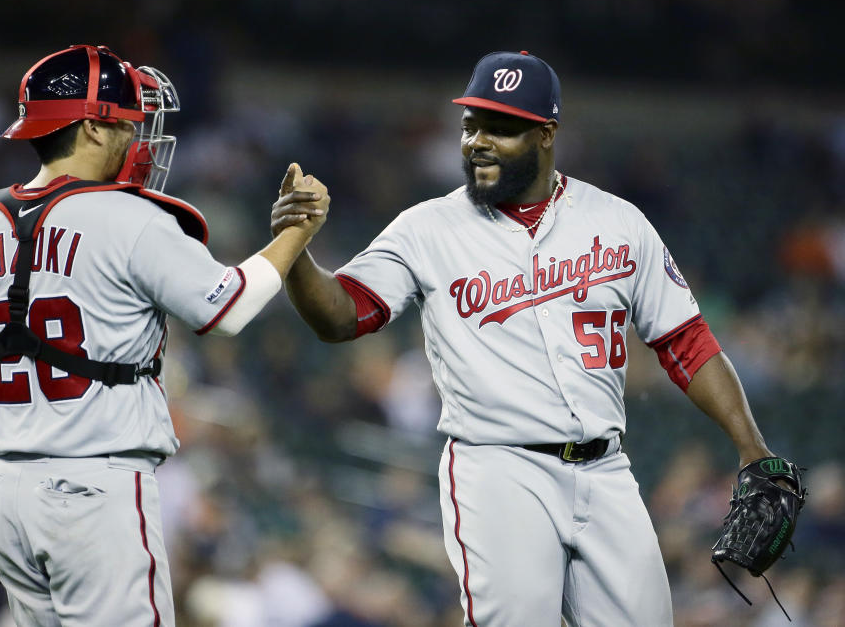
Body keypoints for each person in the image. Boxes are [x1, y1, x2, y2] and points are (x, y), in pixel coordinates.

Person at [271, 50, 784, 626]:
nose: (479, 142)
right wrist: (296, 253)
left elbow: (685, 340)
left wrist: (752, 447)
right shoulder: (428, 228)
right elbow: (341, 316)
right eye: (471, 125)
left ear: (546, 134)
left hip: (607, 471)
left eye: (502, 128)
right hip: (498, 471)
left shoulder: (618, 221)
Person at [0, 44, 329, 626]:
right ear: (89, 127)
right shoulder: (129, 219)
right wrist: (295, 232)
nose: (138, 138)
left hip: (8, 494)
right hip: (95, 492)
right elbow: (229, 308)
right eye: (127, 124)